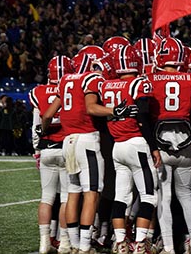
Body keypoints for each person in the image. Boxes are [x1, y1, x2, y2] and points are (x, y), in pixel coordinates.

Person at [41, 51, 137, 254]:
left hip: (68, 141)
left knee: (73, 193)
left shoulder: (66, 79)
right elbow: (91, 108)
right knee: (92, 194)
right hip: (87, 140)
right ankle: (84, 246)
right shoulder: (91, 78)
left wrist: (43, 130)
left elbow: (48, 114)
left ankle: (73, 244)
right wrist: (114, 110)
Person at [99, 46, 161, 254]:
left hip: (118, 146)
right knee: (149, 196)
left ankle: (120, 243)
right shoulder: (138, 82)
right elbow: (143, 116)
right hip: (136, 143)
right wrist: (153, 147)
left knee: (121, 198)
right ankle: (141, 243)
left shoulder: (107, 84)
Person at [148, 37, 191, 254]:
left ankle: (170, 247)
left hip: (161, 147)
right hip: (185, 145)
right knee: (186, 196)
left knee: (165, 197)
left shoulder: (152, 79)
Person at [30, 55, 73, 254]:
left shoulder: (38, 92)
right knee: (65, 198)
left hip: (47, 148)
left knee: (46, 197)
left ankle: (44, 242)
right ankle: (64, 242)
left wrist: (37, 149)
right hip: (66, 147)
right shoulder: (71, 87)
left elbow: (36, 126)